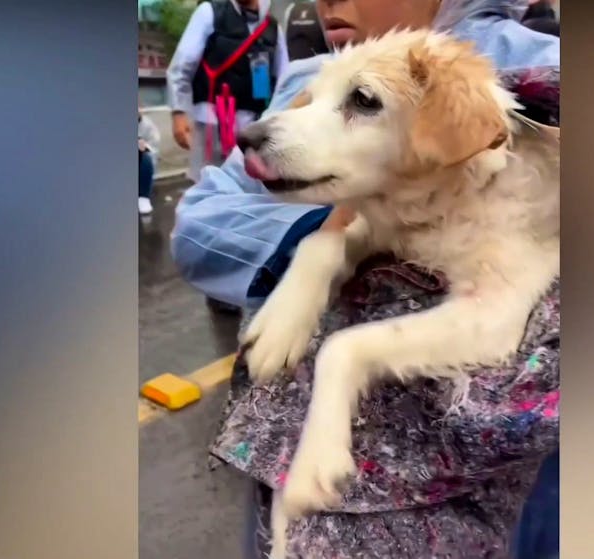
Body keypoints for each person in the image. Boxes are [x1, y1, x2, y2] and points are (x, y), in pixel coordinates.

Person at [172, 0, 560, 556]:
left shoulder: (535, 67)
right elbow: (201, 222)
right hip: (294, 480)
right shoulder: (317, 74)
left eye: (359, 102)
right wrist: (324, 244)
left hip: (483, 498)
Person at [166, 0, 290, 183]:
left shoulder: (273, 28)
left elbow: (284, 80)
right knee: (208, 186)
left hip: (255, 124)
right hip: (212, 123)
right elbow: (181, 67)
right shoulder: (209, 13)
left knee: (252, 188)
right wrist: (178, 112)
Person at [138, 109, 161, 215]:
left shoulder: (147, 125)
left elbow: (154, 146)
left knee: (146, 158)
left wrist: (145, 147)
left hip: (140, 162)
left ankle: (143, 197)